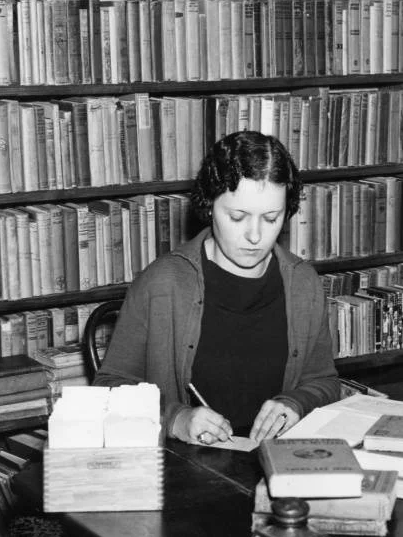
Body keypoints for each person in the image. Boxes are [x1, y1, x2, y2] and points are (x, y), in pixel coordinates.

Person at [93, 130, 340, 444]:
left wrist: (297, 403)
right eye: (237, 217)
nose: (255, 236)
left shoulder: (303, 283)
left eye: (271, 218)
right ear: (209, 206)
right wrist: (175, 418)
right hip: (186, 468)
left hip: (277, 460)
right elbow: (109, 387)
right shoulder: (163, 282)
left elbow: (325, 383)